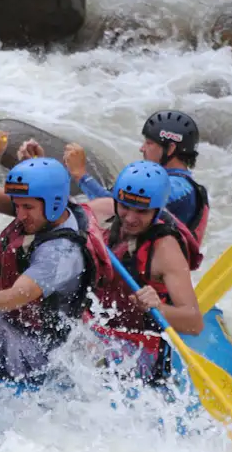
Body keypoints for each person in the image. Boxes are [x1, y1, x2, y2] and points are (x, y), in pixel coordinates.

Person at [0, 130, 113, 380]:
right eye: (17, 204)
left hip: (37, 355)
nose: (20, 214)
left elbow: (20, 294)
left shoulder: (62, 252)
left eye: (27, 207)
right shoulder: (43, 212)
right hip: (8, 324)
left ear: (54, 202)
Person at [82, 160, 205, 385]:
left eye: (141, 211)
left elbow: (194, 322)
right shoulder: (105, 211)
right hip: (97, 330)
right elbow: (55, 213)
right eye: (125, 206)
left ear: (157, 210)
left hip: (140, 347)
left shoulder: (165, 249)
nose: (129, 217)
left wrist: (157, 307)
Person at [63, 111, 210, 242]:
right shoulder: (175, 183)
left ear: (170, 148)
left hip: (157, 262)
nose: (142, 148)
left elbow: (114, 209)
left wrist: (81, 175)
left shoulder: (177, 188)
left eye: (149, 143)